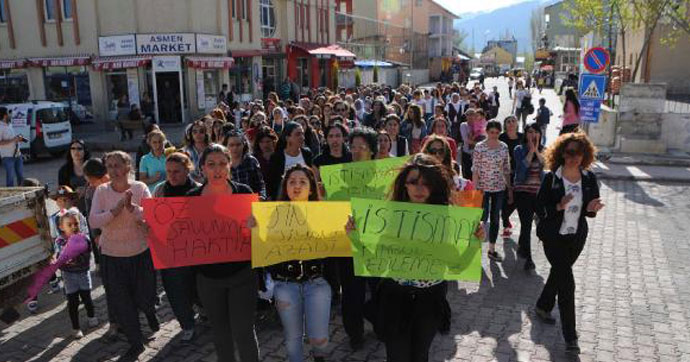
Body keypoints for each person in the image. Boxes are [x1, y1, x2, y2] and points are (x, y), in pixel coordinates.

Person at [345, 154, 483, 362]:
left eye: (426, 183)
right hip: (395, 299)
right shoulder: (390, 217)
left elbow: (456, 266)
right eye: (413, 182)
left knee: (420, 356)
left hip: (429, 300)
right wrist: (355, 237)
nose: (419, 189)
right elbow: (375, 262)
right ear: (404, 185)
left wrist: (475, 243)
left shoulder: (445, 219)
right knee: (397, 356)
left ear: (435, 186)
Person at [186, 144, 260, 362]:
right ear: (202, 169)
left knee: (243, 330)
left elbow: (261, 235)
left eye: (222, 164)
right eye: (211, 164)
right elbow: (180, 235)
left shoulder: (244, 193)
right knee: (219, 332)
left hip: (242, 275)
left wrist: (257, 226)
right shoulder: (192, 198)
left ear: (229, 166)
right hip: (208, 279)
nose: (217, 170)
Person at [250, 164, 331, 362]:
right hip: (285, 285)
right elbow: (264, 249)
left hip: (317, 284)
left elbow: (335, 245)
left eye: (302, 182)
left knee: (319, 339)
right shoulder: (272, 215)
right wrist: (255, 230)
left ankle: (319, 356)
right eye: (292, 182)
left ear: (311, 188)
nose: (297, 186)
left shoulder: (324, 214)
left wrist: (346, 231)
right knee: (292, 338)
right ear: (285, 186)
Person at [534, 132, 603, 355]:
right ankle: (570, 337)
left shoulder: (589, 178)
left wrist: (591, 210)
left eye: (579, 153)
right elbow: (539, 209)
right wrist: (558, 207)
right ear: (562, 153)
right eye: (570, 152)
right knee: (567, 284)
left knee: (559, 273)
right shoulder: (551, 178)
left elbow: (587, 211)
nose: (575, 157)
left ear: (586, 155)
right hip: (553, 237)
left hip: (576, 237)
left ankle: (543, 305)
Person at [89, 151, 158, 360]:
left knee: (145, 297)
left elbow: (152, 217)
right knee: (121, 301)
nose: (114, 170)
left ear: (128, 167)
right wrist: (115, 211)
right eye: (109, 166)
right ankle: (136, 342)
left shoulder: (140, 188)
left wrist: (133, 209)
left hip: (140, 253)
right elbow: (93, 221)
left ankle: (149, 312)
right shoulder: (101, 191)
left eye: (118, 165)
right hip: (112, 255)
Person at [151, 152, 201, 342]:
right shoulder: (160, 191)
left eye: (177, 172)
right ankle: (187, 324)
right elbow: (153, 218)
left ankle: (202, 310)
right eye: (169, 171)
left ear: (187, 170)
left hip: (195, 250)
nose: (172, 176)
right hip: (170, 252)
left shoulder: (198, 190)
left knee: (196, 287)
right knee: (175, 289)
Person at [54, 209, 98, 339]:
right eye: (69, 225)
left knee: (87, 298)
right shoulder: (60, 241)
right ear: (61, 227)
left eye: (76, 224)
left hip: (83, 274)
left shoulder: (84, 238)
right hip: (69, 276)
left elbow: (86, 255)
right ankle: (76, 327)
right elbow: (59, 258)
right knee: (72, 302)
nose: (73, 227)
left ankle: (91, 316)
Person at [472, 121, 512, 262]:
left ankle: (492, 249)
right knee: (482, 219)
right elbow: (475, 169)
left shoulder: (503, 147)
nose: (494, 135)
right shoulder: (479, 147)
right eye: (491, 132)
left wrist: (510, 188)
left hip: (499, 188)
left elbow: (506, 169)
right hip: (482, 188)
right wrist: (474, 190)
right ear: (486, 131)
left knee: (495, 219)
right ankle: (476, 250)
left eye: (496, 132)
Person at [513, 124, 545, 271]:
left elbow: (545, 165)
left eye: (535, 132)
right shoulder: (519, 150)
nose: (532, 135)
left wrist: (536, 149)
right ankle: (529, 259)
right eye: (530, 132)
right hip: (522, 192)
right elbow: (521, 169)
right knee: (526, 224)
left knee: (535, 223)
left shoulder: (544, 149)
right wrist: (531, 150)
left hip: (538, 193)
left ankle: (522, 247)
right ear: (525, 134)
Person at [266, 121, 314, 200]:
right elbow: (271, 182)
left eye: (302, 134)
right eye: (298, 134)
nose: (302, 137)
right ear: (287, 138)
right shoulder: (277, 157)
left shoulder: (307, 153)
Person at [498, 116, 524, 238]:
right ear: (505, 125)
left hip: (520, 174)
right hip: (503, 173)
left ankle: (507, 219)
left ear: (517, 123)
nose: (511, 123)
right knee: (504, 201)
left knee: (516, 200)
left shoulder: (522, 137)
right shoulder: (501, 138)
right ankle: (506, 225)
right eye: (508, 121)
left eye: (513, 121)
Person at [223, 131, 267, 200]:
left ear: (244, 145)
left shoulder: (251, 161)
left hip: (249, 202)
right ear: (226, 146)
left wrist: (262, 196)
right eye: (231, 145)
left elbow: (260, 185)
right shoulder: (221, 164)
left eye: (238, 145)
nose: (235, 148)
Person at [58, 139, 91, 213]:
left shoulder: (91, 166)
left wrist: (86, 190)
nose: (76, 151)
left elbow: (101, 184)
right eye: (73, 148)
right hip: (73, 207)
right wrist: (72, 193)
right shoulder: (64, 170)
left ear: (85, 151)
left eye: (79, 148)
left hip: (92, 204)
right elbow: (61, 191)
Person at [0, 106, 24, 186]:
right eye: (8, 113)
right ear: (5, 115)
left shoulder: (9, 124)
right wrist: (14, 140)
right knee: (10, 178)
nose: (10, 114)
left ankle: (23, 194)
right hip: (8, 156)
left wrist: (18, 138)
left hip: (17, 154)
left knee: (20, 176)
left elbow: (12, 138)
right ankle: (11, 197)